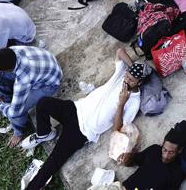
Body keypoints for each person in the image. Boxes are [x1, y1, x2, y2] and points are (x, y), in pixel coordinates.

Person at [20, 51, 146, 189]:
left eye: (131, 80)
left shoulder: (134, 102)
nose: (126, 81)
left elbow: (117, 131)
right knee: (43, 103)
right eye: (127, 76)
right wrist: (133, 68)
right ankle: (44, 133)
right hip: (76, 108)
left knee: (53, 161)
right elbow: (119, 52)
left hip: (82, 131)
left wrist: (121, 104)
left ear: (139, 82)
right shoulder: (122, 75)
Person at [0, 46, 62, 148]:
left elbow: (14, 112)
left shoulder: (23, 79)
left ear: (7, 69)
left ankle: (18, 132)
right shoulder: (11, 51)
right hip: (47, 62)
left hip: (49, 85)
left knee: (15, 113)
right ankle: (6, 98)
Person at [120, 127, 186, 190]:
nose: (165, 156)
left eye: (171, 152)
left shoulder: (177, 173)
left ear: (180, 150)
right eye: (164, 150)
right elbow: (133, 161)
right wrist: (127, 159)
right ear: (162, 145)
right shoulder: (154, 150)